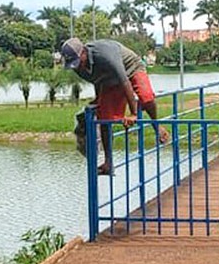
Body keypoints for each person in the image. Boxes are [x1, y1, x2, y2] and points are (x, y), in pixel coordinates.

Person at [62, 37, 169, 175]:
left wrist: (133, 113)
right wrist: (99, 99)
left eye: (77, 61)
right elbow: (96, 79)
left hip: (131, 67)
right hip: (110, 79)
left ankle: (157, 126)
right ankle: (108, 163)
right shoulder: (77, 67)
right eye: (72, 63)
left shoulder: (104, 55)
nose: (76, 66)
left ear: (83, 52)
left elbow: (125, 81)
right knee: (105, 118)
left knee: (146, 97)